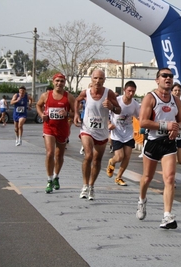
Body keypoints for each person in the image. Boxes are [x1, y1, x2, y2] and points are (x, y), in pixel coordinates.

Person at [136, 68, 181, 229]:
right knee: (147, 178)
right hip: (153, 141)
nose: (168, 78)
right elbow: (143, 122)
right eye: (164, 76)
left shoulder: (176, 100)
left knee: (170, 178)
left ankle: (167, 215)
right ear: (157, 80)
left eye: (170, 76)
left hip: (169, 143)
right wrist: (166, 125)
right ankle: (142, 200)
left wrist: (176, 128)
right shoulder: (150, 98)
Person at [74, 69, 121, 200]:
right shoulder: (86, 92)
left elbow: (119, 109)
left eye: (100, 79)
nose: (97, 81)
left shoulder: (109, 93)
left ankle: (91, 185)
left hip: (102, 131)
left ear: (104, 80)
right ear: (91, 79)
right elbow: (77, 101)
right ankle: (84, 185)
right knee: (88, 155)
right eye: (95, 78)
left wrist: (111, 107)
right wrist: (77, 114)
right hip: (87, 129)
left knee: (97, 160)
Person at [36, 73, 75, 193]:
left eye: (62, 81)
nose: (59, 83)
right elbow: (38, 105)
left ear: (65, 83)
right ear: (53, 82)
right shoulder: (46, 95)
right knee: (50, 153)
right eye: (57, 81)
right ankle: (49, 180)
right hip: (49, 127)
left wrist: (67, 114)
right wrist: (42, 114)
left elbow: (76, 112)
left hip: (62, 129)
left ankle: (56, 176)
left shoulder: (68, 97)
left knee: (59, 156)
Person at [106, 81, 140, 186]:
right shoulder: (116, 101)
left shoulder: (135, 104)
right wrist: (109, 124)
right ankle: (112, 162)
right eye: (129, 91)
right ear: (124, 90)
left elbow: (140, 117)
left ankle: (119, 177)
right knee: (119, 157)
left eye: (133, 91)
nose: (131, 93)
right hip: (116, 132)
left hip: (128, 133)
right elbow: (106, 114)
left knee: (127, 156)